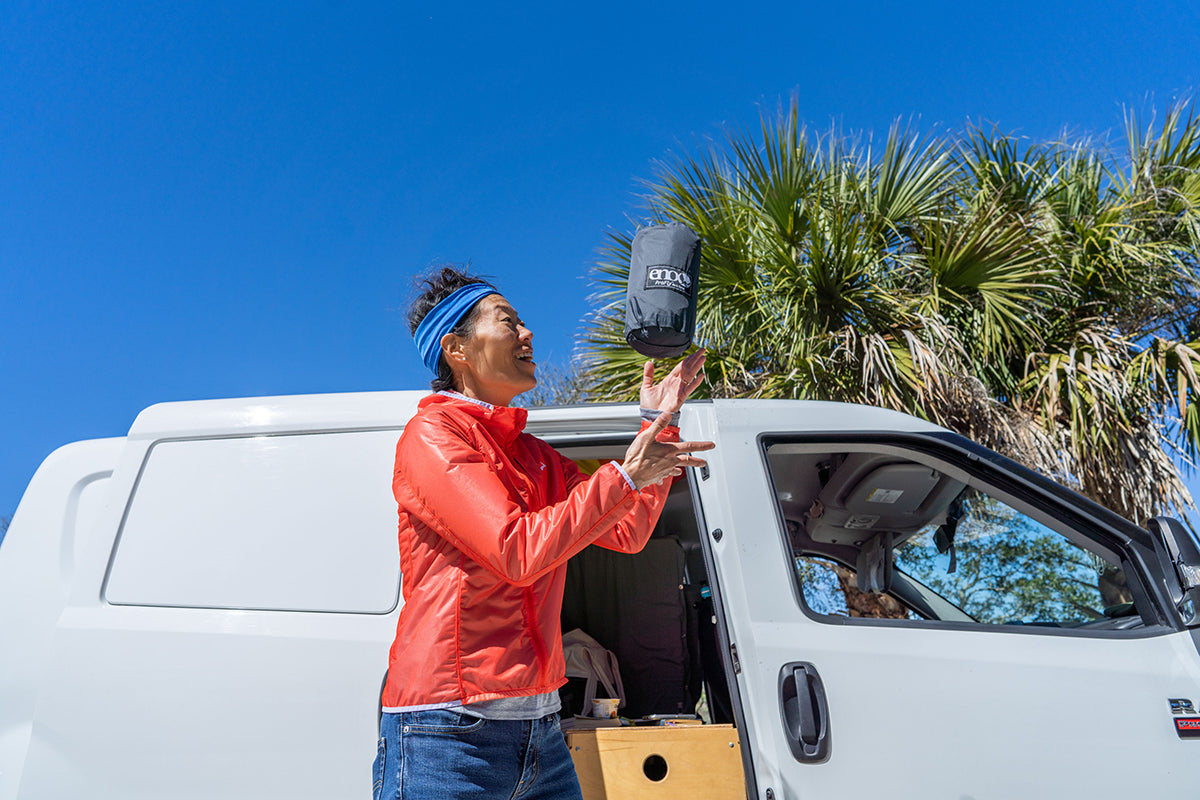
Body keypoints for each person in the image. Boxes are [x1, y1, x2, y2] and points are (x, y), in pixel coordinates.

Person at [373, 267, 713, 800]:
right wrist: (625, 474)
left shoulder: (535, 457)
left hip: (540, 725)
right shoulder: (433, 434)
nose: (528, 332)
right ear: (456, 349)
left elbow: (625, 532)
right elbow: (516, 549)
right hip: (448, 728)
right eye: (509, 322)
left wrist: (655, 423)